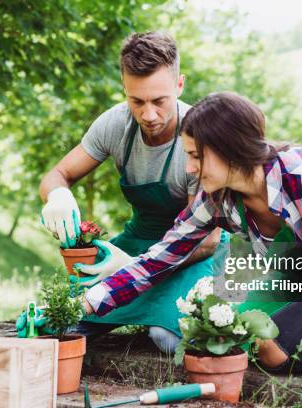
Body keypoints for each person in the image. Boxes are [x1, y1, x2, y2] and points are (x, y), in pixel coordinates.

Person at [78, 92, 302, 382]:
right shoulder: (217, 198)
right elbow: (160, 258)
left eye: (197, 156)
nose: (190, 169)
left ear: (229, 149)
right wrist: (87, 302)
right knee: (240, 335)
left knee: (271, 353)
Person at [22, 32, 224, 353]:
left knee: (167, 337)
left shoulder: (200, 138)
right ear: (124, 88)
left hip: (194, 253)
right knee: (62, 321)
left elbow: (205, 239)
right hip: (136, 243)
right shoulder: (115, 125)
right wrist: (57, 194)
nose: (148, 115)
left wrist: (132, 266)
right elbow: (57, 175)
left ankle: (156, 317)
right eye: (136, 101)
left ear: (179, 85)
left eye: (159, 101)